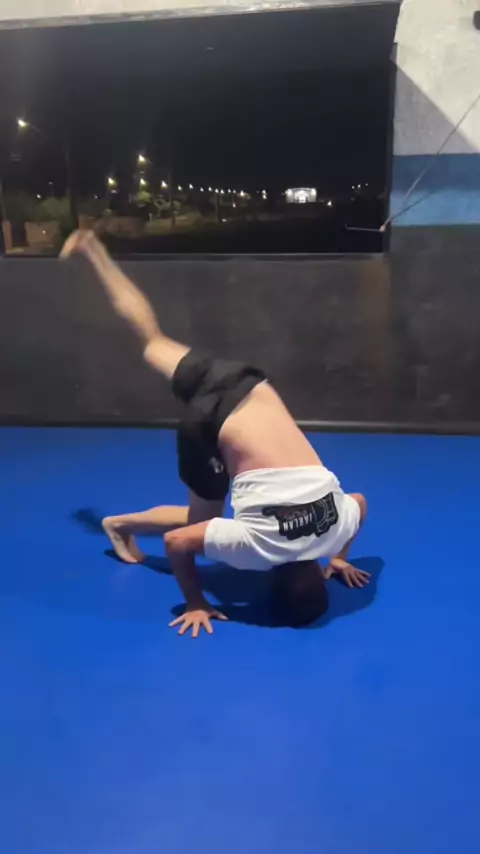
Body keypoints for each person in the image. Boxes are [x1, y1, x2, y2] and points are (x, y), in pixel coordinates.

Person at [61, 230, 369, 637]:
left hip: (247, 386)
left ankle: (94, 250)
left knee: (154, 341)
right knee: (202, 520)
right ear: (270, 578)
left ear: (318, 571)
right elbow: (178, 542)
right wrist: (196, 602)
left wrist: (339, 556)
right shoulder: (254, 552)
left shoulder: (338, 525)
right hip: (211, 424)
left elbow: (360, 502)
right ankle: (119, 525)